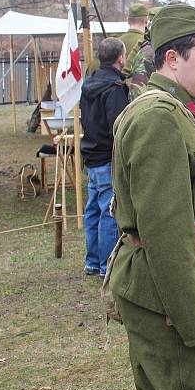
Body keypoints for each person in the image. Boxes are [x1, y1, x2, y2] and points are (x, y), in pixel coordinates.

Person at [110, 4, 195, 390]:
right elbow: (166, 236)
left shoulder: (173, 108)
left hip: (168, 297)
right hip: (168, 304)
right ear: (173, 59)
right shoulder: (159, 117)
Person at [79, 38, 129, 278]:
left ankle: (92, 261)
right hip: (106, 155)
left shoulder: (89, 84)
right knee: (108, 211)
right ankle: (104, 265)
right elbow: (118, 127)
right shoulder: (115, 89)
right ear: (121, 58)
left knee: (93, 210)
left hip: (91, 152)